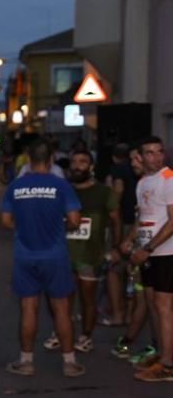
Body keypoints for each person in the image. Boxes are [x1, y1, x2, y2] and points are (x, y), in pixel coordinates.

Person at [0, 140, 84, 377]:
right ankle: (69, 363)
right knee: (62, 309)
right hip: (55, 255)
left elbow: (5, 221)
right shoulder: (61, 185)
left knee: (28, 308)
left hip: (25, 255)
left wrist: (24, 227)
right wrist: (59, 227)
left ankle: (26, 362)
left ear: (28, 159)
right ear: (52, 159)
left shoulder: (15, 186)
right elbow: (75, 220)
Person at [43, 150, 119, 354]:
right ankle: (60, 332)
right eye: (74, 162)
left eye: (83, 162)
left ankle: (86, 337)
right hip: (62, 254)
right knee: (60, 298)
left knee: (88, 299)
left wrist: (116, 248)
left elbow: (115, 220)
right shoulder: (62, 190)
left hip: (90, 256)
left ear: (91, 167)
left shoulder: (103, 192)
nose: (77, 166)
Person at [122, 136, 173, 382]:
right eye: (149, 153)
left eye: (158, 152)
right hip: (149, 253)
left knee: (164, 307)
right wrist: (131, 241)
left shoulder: (169, 179)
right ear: (141, 157)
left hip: (166, 252)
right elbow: (143, 218)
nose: (155, 157)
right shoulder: (143, 182)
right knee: (153, 303)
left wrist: (149, 248)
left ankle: (168, 365)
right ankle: (163, 354)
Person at [105, 144, 138, 326]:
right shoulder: (140, 172)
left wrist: (111, 211)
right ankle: (131, 315)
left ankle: (118, 314)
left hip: (124, 222)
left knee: (114, 267)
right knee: (132, 270)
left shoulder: (118, 169)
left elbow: (117, 190)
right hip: (138, 223)